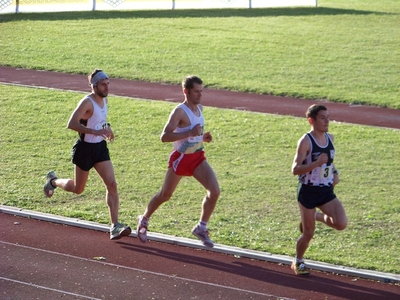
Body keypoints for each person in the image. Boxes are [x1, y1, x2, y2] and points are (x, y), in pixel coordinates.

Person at [43, 69, 131, 240]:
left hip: (99, 149)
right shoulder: (87, 102)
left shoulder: (103, 100)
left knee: (112, 184)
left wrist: (107, 127)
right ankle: (53, 181)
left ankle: (114, 226)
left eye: (108, 84)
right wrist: (93, 131)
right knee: (78, 188)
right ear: (94, 86)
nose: (107, 87)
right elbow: (71, 123)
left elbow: (100, 120)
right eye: (103, 84)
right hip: (85, 149)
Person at [136, 75, 220, 247]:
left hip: (197, 157)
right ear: (186, 91)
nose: (199, 95)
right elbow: (164, 137)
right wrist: (190, 133)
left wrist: (203, 137)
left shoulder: (200, 109)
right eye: (196, 91)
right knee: (165, 195)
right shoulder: (179, 111)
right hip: (181, 159)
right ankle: (144, 219)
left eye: (201, 91)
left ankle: (201, 227)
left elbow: (194, 134)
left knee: (215, 191)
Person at [291, 104, 347, 275]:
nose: (327, 121)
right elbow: (295, 169)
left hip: (325, 191)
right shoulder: (305, 141)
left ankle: (315, 216)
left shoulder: (330, 138)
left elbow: (329, 161)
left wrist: (335, 172)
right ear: (311, 120)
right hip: (308, 192)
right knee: (308, 233)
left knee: (341, 223)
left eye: (328, 117)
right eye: (322, 118)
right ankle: (298, 262)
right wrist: (315, 164)